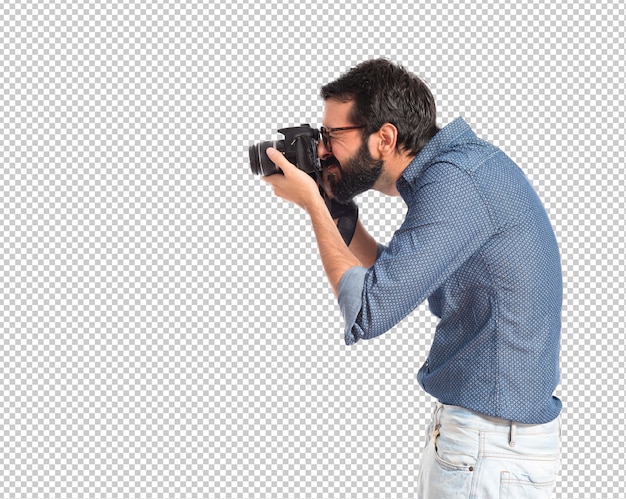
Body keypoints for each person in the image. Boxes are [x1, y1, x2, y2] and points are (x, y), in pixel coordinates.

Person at [261, 58, 562, 498]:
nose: (323, 150)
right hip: (492, 447)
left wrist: (311, 204)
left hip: (488, 452)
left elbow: (367, 310)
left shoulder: (455, 185)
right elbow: (399, 279)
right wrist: (337, 215)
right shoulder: (462, 171)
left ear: (384, 138)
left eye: (331, 136)